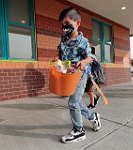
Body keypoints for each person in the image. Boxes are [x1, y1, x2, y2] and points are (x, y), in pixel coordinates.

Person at [55, 7, 101, 144]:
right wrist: (57, 63)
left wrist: (84, 61)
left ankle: (79, 131)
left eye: (67, 23)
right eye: (63, 24)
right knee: (77, 101)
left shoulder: (83, 41)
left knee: (73, 102)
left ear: (78, 23)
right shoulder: (63, 39)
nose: (64, 27)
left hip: (80, 75)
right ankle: (93, 117)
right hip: (67, 75)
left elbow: (90, 57)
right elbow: (61, 55)